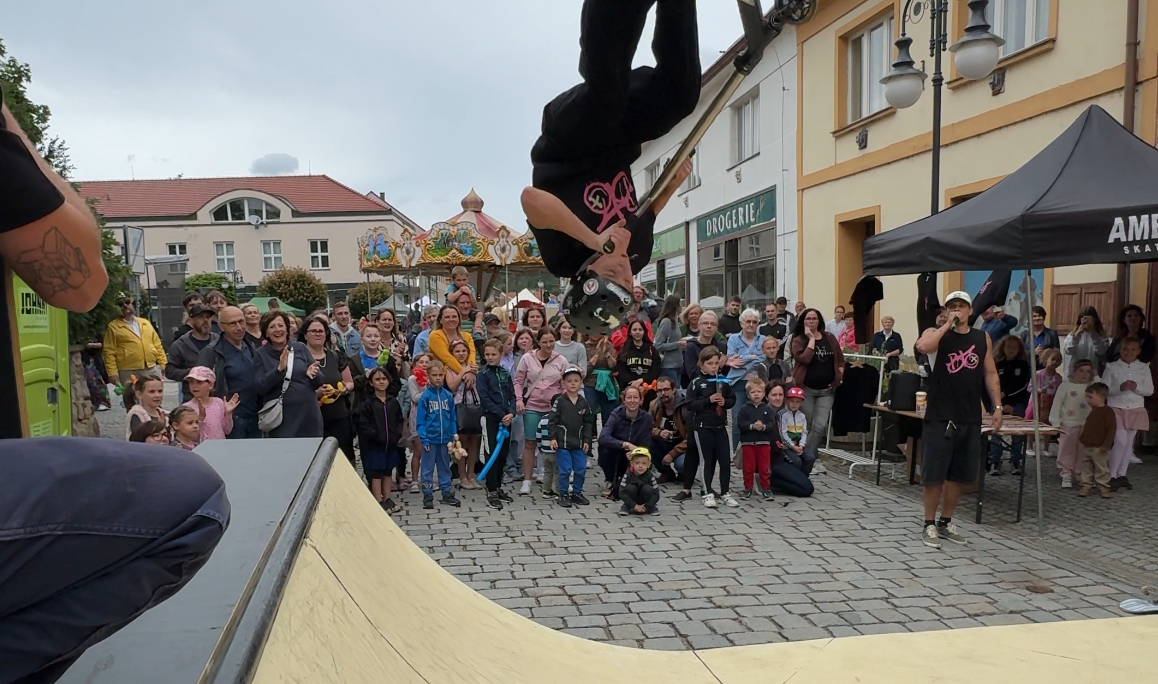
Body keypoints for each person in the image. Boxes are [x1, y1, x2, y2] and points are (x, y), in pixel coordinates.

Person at [0, 94, 228, 683]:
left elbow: (150, 350)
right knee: (192, 501)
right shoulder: (126, 328)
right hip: (130, 378)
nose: (205, 321)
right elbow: (82, 283)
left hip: (143, 371)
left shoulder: (149, 327)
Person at [521, 0, 698, 334]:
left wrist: (592, 239)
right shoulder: (637, 255)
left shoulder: (563, 259)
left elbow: (531, 199)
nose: (624, 268)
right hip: (620, 142)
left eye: (612, 274)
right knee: (681, 98)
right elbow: (646, 214)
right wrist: (673, 183)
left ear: (586, 274)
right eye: (627, 280)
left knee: (608, 93)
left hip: (567, 143)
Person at [914, 290, 1003, 550]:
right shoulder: (936, 334)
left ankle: (945, 521)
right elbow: (923, 347)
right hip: (941, 414)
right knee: (934, 473)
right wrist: (945, 327)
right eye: (952, 306)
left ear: (970, 311)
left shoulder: (981, 337)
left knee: (960, 474)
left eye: (961, 306)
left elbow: (990, 373)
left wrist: (996, 406)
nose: (957, 310)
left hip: (969, 414)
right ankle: (928, 523)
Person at [514, 327, 568, 496]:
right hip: (533, 405)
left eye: (551, 341)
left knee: (554, 443)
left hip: (553, 408)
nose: (548, 345)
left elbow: (564, 385)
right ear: (538, 342)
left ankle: (553, 479)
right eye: (544, 342)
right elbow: (518, 380)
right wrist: (518, 399)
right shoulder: (527, 358)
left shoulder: (561, 360)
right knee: (530, 442)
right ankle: (527, 480)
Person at [254, 310, 324, 439]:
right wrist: (279, 370)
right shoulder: (260, 354)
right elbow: (260, 387)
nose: (277, 330)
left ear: (287, 329)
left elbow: (319, 381)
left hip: (308, 413)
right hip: (282, 418)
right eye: (272, 327)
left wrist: (313, 374)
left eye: (281, 325)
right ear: (266, 332)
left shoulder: (300, 348)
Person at [791, 308, 844, 476]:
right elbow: (804, 358)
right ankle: (804, 457)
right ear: (803, 322)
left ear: (819, 321)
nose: (811, 322)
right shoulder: (799, 340)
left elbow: (840, 358)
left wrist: (840, 374)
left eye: (814, 319)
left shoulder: (830, 338)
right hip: (806, 389)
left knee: (820, 426)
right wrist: (812, 339)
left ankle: (810, 457)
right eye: (808, 319)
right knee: (806, 423)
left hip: (827, 390)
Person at [195, 306, 262, 439]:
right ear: (221, 326)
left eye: (241, 321)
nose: (239, 327)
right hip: (231, 418)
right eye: (232, 323)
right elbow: (198, 386)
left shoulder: (250, 346)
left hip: (255, 414)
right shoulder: (212, 352)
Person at [300, 316, 356, 464]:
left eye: (321, 331)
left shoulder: (336, 356)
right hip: (311, 418)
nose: (318, 334)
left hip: (339, 416)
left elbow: (350, 382)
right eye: (313, 331)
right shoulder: (299, 358)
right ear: (305, 334)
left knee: (343, 458)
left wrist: (343, 390)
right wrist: (315, 394)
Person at [686, 347, 736, 508]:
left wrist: (725, 403)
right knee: (706, 461)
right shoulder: (696, 383)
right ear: (702, 364)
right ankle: (707, 492)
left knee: (725, 461)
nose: (714, 366)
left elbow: (732, 399)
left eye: (716, 363)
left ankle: (725, 492)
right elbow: (690, 404)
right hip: (702, 427)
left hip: (720, 426)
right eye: (710, 363)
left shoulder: (723, 381)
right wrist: (709, 400)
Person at [1103, 336, 1152, 490]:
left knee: (1128, 443)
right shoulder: (1111, 367)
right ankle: (1110, 475)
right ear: (1120, 349)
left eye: (1132, 350)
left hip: (1135, 408)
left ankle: (1121, 474)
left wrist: (1136, 386)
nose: (1128, 352)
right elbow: (1104, 390)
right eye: (1125, 349)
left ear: (1138, 351)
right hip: (1116, 407)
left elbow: (1149, 390)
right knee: (1120, 440)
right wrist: (1120, 388)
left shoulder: (1144, 367)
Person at [354, 366, 406, 514]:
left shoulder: (392, 402)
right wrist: (375, 436)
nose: (381, 382)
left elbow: (399, 420)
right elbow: (364, 424)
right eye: (377, 379)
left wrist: (396, 435)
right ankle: (378, 500)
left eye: (384, 379)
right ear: (371, 383)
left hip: (390, 444)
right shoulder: (368, 403)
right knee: (376, 474)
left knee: (388, 472)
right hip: (375, 445)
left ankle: (388, 498)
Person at [416, 360, 462, 510]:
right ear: (428, 376)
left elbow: (452, 417)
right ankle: (428, 494)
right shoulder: (425, 397)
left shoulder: (448, 396)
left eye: (440, 375)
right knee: (427, 468)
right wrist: (424, 438)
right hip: (430, 439)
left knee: (444, 466)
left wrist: (454, 434)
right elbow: (420, 420)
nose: (437, 378)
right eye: (434, 375)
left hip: (446, 440)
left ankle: (446, 492)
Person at [548, 366, 595, 508]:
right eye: (569, 381)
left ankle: (577, 493)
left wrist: (587, 440)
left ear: (581, 382)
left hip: (579, 444)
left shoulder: (584, 402)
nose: (573, 383)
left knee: (580, 469)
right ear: (563, 382)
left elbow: (588, 423)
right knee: (565, 470)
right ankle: (563, 493)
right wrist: (553, 438)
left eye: (576, 380)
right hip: (563, 443)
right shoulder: (560, 401)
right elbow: (552, 421)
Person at [478, 339, 517, 510]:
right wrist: (502, 414)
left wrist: (511, 412)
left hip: (506, 419)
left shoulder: (504, 373)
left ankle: (499, 485)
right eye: (487, 354)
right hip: (491, 419)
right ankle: (491, 488)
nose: (490, 357)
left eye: (493, 354)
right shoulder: (483, 374)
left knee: (503, 453)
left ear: (501, 355)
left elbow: (513, 395)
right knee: (491, 453)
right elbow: (485, 399)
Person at [597, 385, 654, 500]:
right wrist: (624, 444)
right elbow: (603, 437)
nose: (632, 401)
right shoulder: (616, 414)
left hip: (635, 454)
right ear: (624, 400)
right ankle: (610, 479)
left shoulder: (646, 418)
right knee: (604, 450)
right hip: (616, 451)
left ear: (641, 400)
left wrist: (635, 453)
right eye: (629, 397)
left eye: (635, 397)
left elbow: (646, 444)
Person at [102, 292, 167, 389]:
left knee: (152, 396)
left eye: (127, 302)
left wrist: (163, 363)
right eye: (120, 304)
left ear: (132, 304)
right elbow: (109, 351)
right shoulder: (113, 326)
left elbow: (157, 344)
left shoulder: (145, 323)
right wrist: (112, 372)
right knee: (131, 398)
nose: (125, 306)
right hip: (128, 370)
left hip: (150, 368)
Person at [988, 335, 1031, 476]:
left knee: (1018, 434)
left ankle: (1015, 460)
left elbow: (1023, 386)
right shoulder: (997, 364)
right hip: (998, 404)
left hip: (1017, 403)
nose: (1011, 350)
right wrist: (1000, 402)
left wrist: (1008, 399)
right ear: (1003, 348)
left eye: (1014, 347)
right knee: (996, 432)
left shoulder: (1023, 365)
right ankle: (994, 461)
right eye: (1008, 347)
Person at [1050, 359, 1096, 489]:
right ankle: (1066, 473)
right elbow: (1057, 404)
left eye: (1088, 371)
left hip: (1086, 423)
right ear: (1074, 371)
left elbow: (1100, 390)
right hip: (1068, 423)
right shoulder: (1066, 386)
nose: (1084, 374)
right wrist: (1055, 421)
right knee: (1067, 448)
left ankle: (1080, 474)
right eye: (1081, 371)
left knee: (1083, 450)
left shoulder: (1091, 386)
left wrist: (1096, 375)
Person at [765, 382, 814, 497]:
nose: (778, 398)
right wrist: (782, 445)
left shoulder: (781, 414)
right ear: (767, 396)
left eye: (780, 395)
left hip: (781, 456)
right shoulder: (766, 413)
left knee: (809, 459)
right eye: (774, 395)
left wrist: (799, 445)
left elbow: (803, 432)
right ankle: (769, 480)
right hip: (773, 460)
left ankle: (796, 481)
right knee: (806, 489)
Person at [724, 308, 765, 448]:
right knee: (737, 419)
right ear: (741, 323)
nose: (751, 324)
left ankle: (752, 449)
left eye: (754, 322)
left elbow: (763, 358)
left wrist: (744, 360)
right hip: (738, 383)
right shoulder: (734, 339)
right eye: (748, 321)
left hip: (757, 384)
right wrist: (752, 357)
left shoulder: (763, 340)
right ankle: (735, 450)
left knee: (756, 418)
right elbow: (731, 358)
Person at [446, 339, 483, 490]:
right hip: (458, 406)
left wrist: (472, 373)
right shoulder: (449, 368)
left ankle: (471, 474)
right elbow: (452, 386)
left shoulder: (474, 367)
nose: (461, 354)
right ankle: (461, 476)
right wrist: (463, 372)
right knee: (460, 444)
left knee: (474, 442)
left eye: (463, 351)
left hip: (474, 405)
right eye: (457, 351)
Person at [166, 303, 217, 403]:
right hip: (191, 398)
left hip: (216, 397)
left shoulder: (219, 341)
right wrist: (193, 373)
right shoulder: (180, 345)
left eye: (208, 317)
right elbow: (169, 371)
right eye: (201, 317)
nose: (205, 320)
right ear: (192, 320)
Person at [738, 377, 776, 501]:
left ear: (764, 394)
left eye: (759, 392)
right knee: (748, 467)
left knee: (764, 467)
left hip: (764, 443)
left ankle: (766, 488)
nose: (756, 394)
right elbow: (740, 424)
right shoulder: (744, 409)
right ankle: (747, 488)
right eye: (753, 392)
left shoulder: (767, 409)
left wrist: (763, 427)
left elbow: (772, 425)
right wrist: (752, 426)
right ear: (748, 394)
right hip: (748, 443)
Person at [1077, 382, 1115, 499]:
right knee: (1086, 467)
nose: (1087, 400)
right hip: (1088, 445)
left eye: (1090, 397)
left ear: (1101, 397)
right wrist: (1083, 439)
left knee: (1102, 468)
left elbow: (1111, 430)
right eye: (1086, 397)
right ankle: (1085, 486)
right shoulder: (1092, 411)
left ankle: (1104, 487)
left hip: (1100, 447)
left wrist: (1106, 445)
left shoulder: (1107, 412)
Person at [649, 376, 688, 483]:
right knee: (647, 443)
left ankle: (684, 473)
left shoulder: (686, 406)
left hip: (684, 446)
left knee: (682, 464)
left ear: (674, 389)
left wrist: (672, 454)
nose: (663, 393)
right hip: (664, 443)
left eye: (666, 390)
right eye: (659, 391)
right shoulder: (654, 405)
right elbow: (647, 429)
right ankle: (667, 473)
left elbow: (692, 437)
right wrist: (659, 432)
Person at [428, 305, 478, 389]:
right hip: (443, 380)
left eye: (454, 316)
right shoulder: (435, 335)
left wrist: (471, 371)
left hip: (467, 377)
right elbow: (447, 359)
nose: (451, 319)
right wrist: (464, 373)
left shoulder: (467, 336)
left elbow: (471, 355)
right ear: (440, 320)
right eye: (447, 317)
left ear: (459, 319)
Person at [183, 366, 238, 442]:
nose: (194, 386)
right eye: (191, 382)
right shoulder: (187, 408)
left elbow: (227, 430)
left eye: (199, 382)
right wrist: (200, 420)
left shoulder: (218, 402)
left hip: (219, 447)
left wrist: (228, 414)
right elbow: (190, 437)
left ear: (211, 385)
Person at [615, 319, 662, 400]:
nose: (637, 332)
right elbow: (622, 371)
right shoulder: (625, 350)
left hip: (648, 390)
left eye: (640, 329)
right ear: (630, 332)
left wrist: (641, 381)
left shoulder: (651, 349)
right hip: (629, 391)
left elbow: (656, 370)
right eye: (634, 329)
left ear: (644, 332)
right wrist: (634, 384)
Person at [405, 353, 431, 492]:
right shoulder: (412, 379)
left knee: (431, 450)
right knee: (418, 449)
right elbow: (415, 398)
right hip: (418, 415)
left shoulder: (434, 377)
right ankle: (415, 480)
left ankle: (428, 479)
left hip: (432, 415)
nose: (424, 364)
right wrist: (429, 390)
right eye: (421, 362)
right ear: (415, 364)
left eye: (427, 362)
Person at [584, 332, 619, 429]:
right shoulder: (583, 346)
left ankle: (607, 439)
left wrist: (606, 353)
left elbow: (614, 367)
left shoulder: (608, 345)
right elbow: (585, 369)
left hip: (608, 383)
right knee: (589, 413)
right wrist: (597, 354)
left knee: (609, 414)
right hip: (589, 383)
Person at [683, 310, 727, 385]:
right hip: (698, 389)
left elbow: (725, 373)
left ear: (716, 328)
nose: (709, 326)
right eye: (705, 323)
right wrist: (717, 366)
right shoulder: (691, 347)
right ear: (699, 326)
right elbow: (692, 374)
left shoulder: (721, 346)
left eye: (712, 324)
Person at [1062, 306, 1109, 376]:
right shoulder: (1073, 333)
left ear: (1094, 320)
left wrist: (1093, 334)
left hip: (1093, 373)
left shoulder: (1101, 335)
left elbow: (1101, 352)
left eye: (1089, 319)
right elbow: (1068, 350)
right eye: (1084, 318)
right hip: (1075, 374)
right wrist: (1077, 335)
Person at [123, 373, 167, 440]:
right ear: (139, 394)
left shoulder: (164, 414)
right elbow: (138, 439)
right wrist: (159, 426)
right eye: (152, 392)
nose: (157, 395)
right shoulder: (136, 414)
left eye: (160, 391)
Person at [618, 447, 660, 516]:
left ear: (649, 464)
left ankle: (651, 507)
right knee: (630, 488)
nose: (640, 466)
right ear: (631, 463)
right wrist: (633, 505)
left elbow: (656, 493)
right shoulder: (627, 474)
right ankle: (627, 506)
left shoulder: (650, 475)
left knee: (648, 488)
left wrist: (647, 506)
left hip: (645, 498)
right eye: (637, 463)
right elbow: (621, 492)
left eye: (644, 463)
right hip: (632, 497)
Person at [778, 386, 808, 471]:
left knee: (810, 457)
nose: (794, 404)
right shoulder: (783, 414)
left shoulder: (802, 416)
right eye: (792, 401)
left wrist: (801, 445)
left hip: (799, 444)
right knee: (796, 462)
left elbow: (804, 432)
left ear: (801, 403)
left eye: (797, 402)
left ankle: (803, 479)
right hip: (787, 445)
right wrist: (793, 446)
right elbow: (783, 433)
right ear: (786, 401)